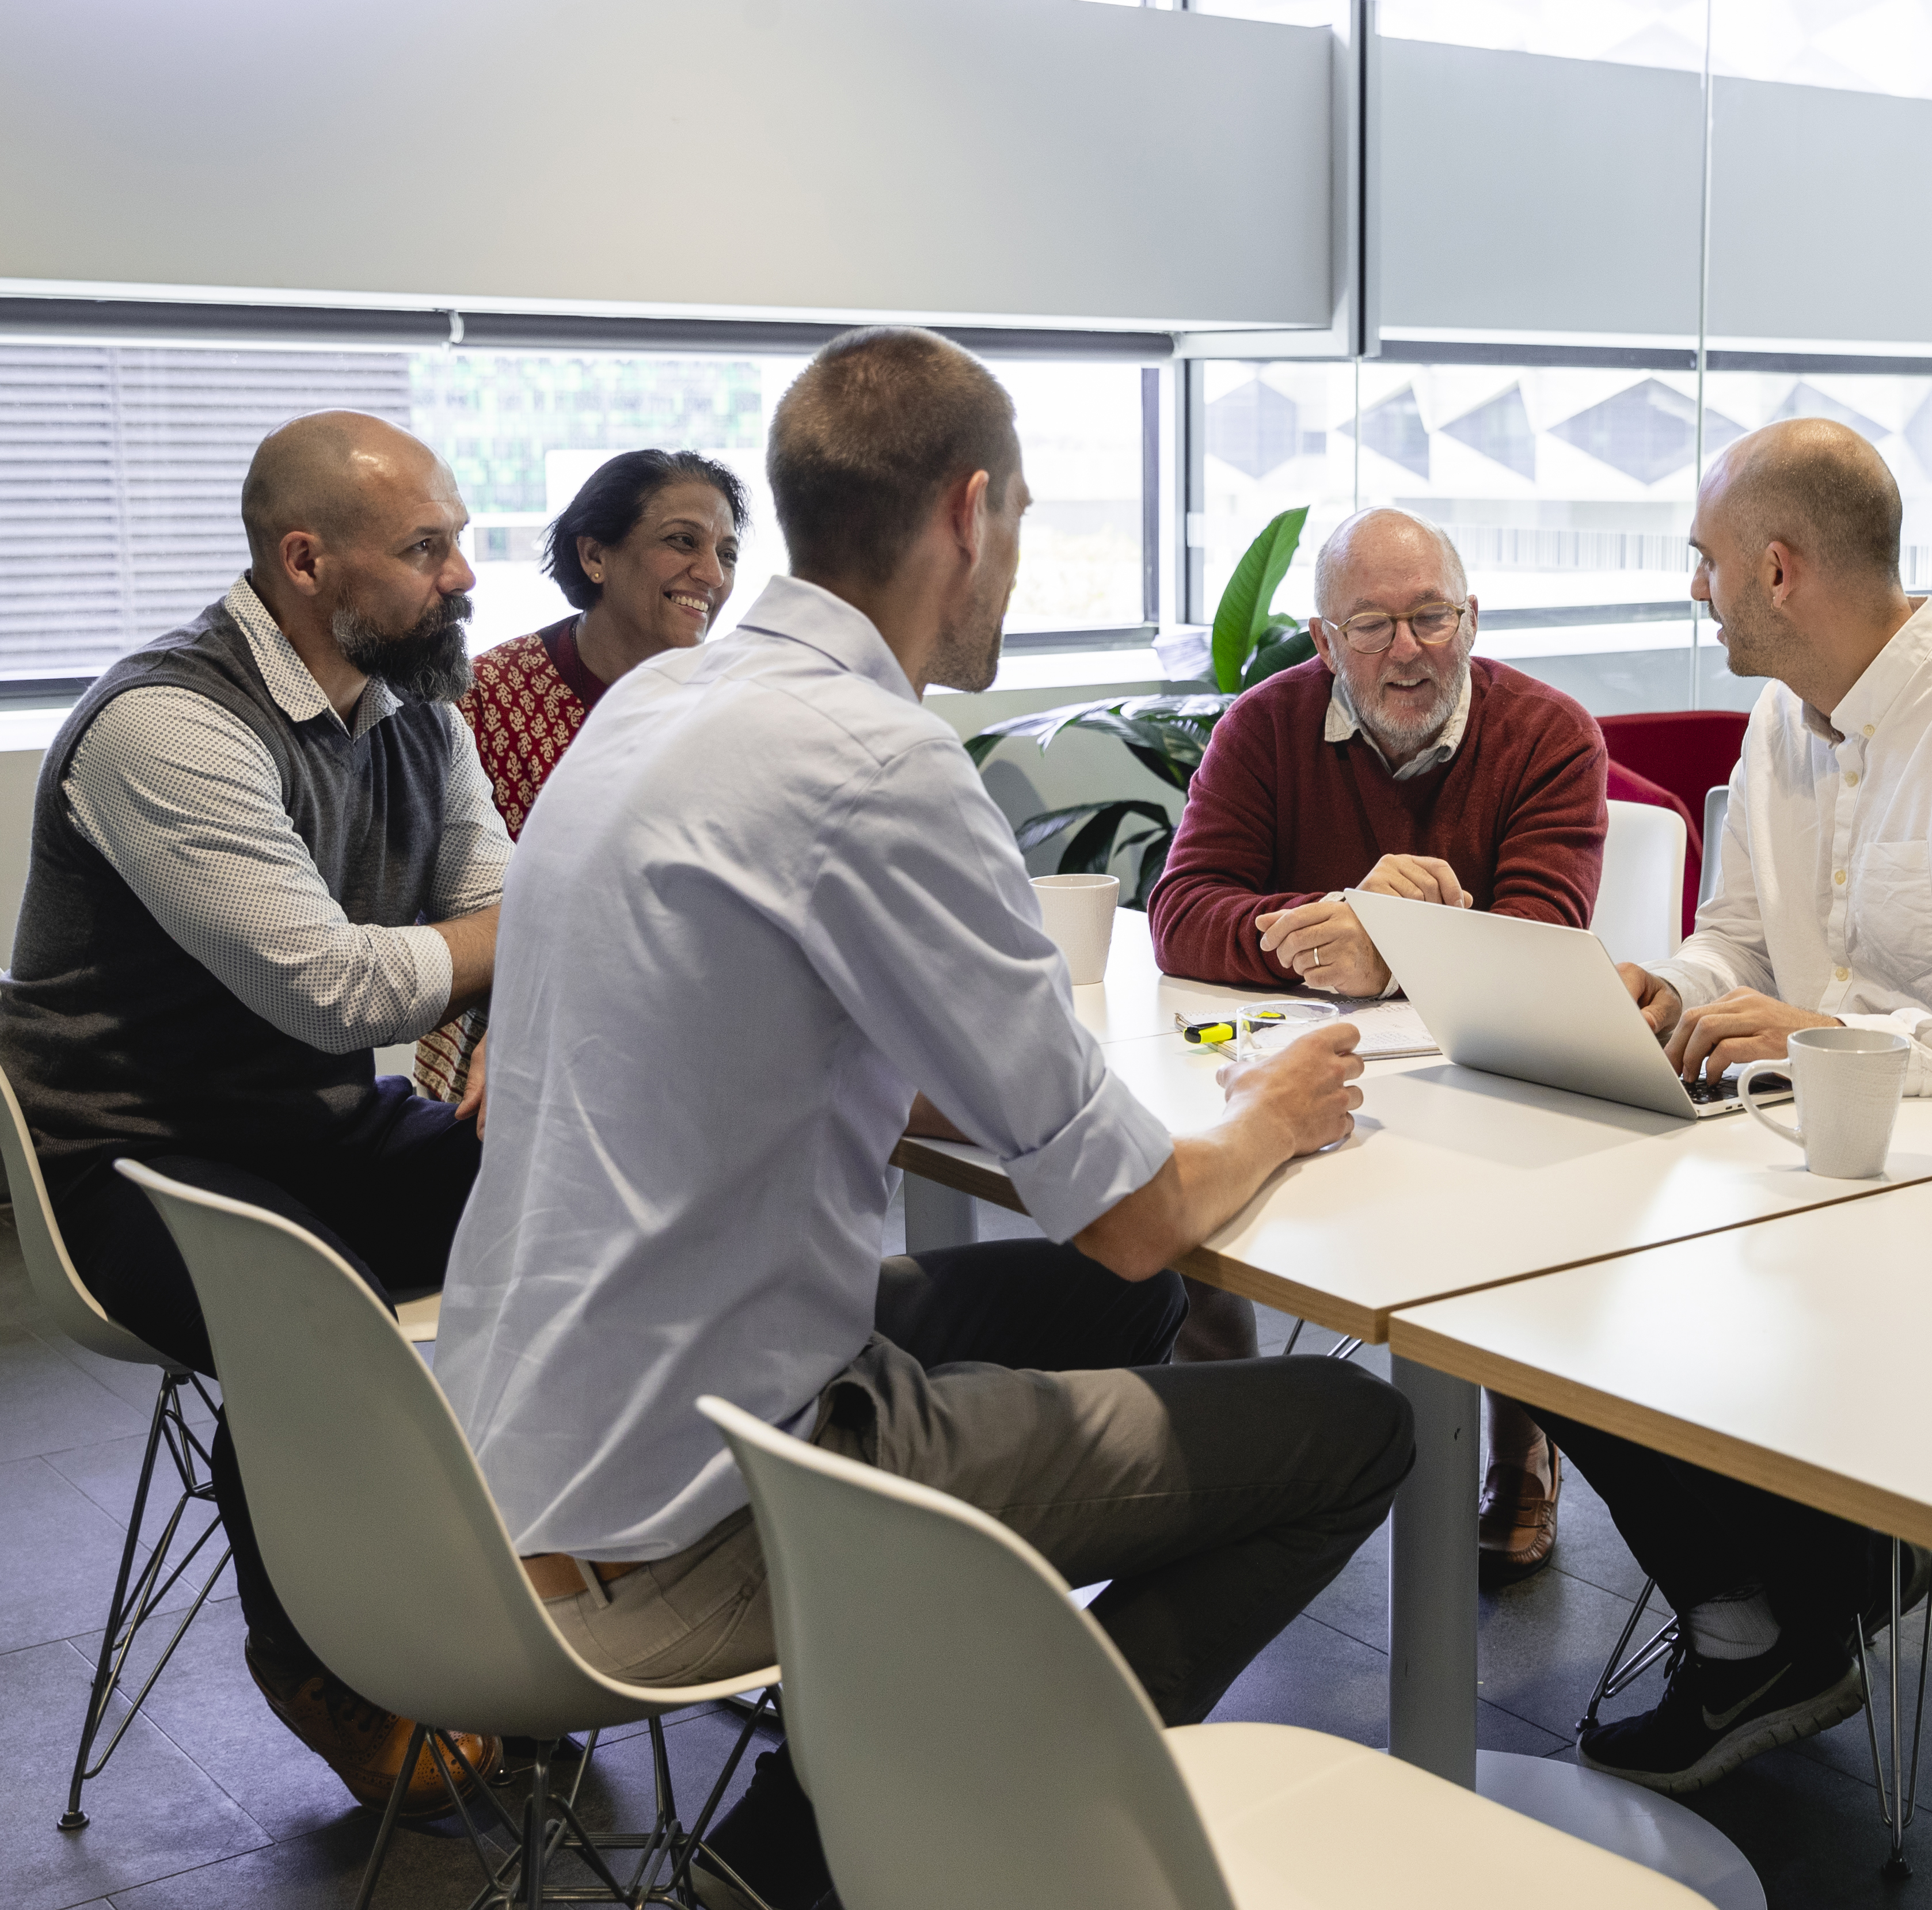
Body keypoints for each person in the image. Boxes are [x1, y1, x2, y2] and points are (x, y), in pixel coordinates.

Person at [435, 328, 1413, 1910]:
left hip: (513, 1423)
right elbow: (1135, 1204)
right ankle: (889, 1831)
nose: (1017, 559)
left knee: (1122, 1306)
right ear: (969, 512)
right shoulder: (876, 758)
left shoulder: (657, 703)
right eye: (1022, 517)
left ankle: (883, 1731)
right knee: (1352, 1428)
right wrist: (1272, 1110)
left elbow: (777, 1017)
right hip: (697, 1494)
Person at [1540, 416, 1932, 1795]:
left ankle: (1797, 1596)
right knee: (1544, 1294)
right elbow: (1745, 947)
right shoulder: (1785, 720)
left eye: (1704, 562)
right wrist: (1678, 993)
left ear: (1779, 569)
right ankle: (1782, 1601)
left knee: (1644, 1292)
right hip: (1834, 1184)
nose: (1693, 588)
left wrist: (1845, 1036)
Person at [0, 412, 511, 1816]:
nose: (463, 575)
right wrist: (513, 948)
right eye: (426, 550)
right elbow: (337, 993)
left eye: (457, 540)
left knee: (573, 1215)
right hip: (129, 1162)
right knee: (311, 1311)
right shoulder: (164, 726)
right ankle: (324, 1661)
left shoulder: (419, 709)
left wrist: (499, 1031)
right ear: (307, 561)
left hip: (301, 1130)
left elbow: (492, 906)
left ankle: (524, 1606)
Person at [1147, 504, 1607, 1577]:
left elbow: (1541, 938)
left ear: (1471, 618)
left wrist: (1390, 947)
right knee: (1197, 1144)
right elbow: (1182, 910)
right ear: (1323, 640)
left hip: (1484, 1070)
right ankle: (1224, 1441)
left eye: (1431, 616)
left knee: (1520, 1162)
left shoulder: (1547, 732)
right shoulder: (1263, 725)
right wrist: (1338, 918)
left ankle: (1520, 1443)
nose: (1408, 650)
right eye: (1371, 625)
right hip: (1314, 1057)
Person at [412, 450, 747, 1099]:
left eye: (727, 554)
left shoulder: (742, 704)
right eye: (682, 542)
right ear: (595, 556)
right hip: (505, 1042)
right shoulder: (485, 698)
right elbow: (447, 900)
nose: (710, 574)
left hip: (694, 1031)